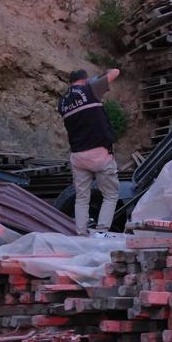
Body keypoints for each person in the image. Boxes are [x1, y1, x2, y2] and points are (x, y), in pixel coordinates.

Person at [57, 68, 121, 238]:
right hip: (99, 153)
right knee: (110, 194)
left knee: (81, 198)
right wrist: (101, 75)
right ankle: (101, 231)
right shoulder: (90, 90)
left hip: (78, 156)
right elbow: (116, 72)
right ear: (85, 80)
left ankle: (81, 233)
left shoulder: (62, 103)